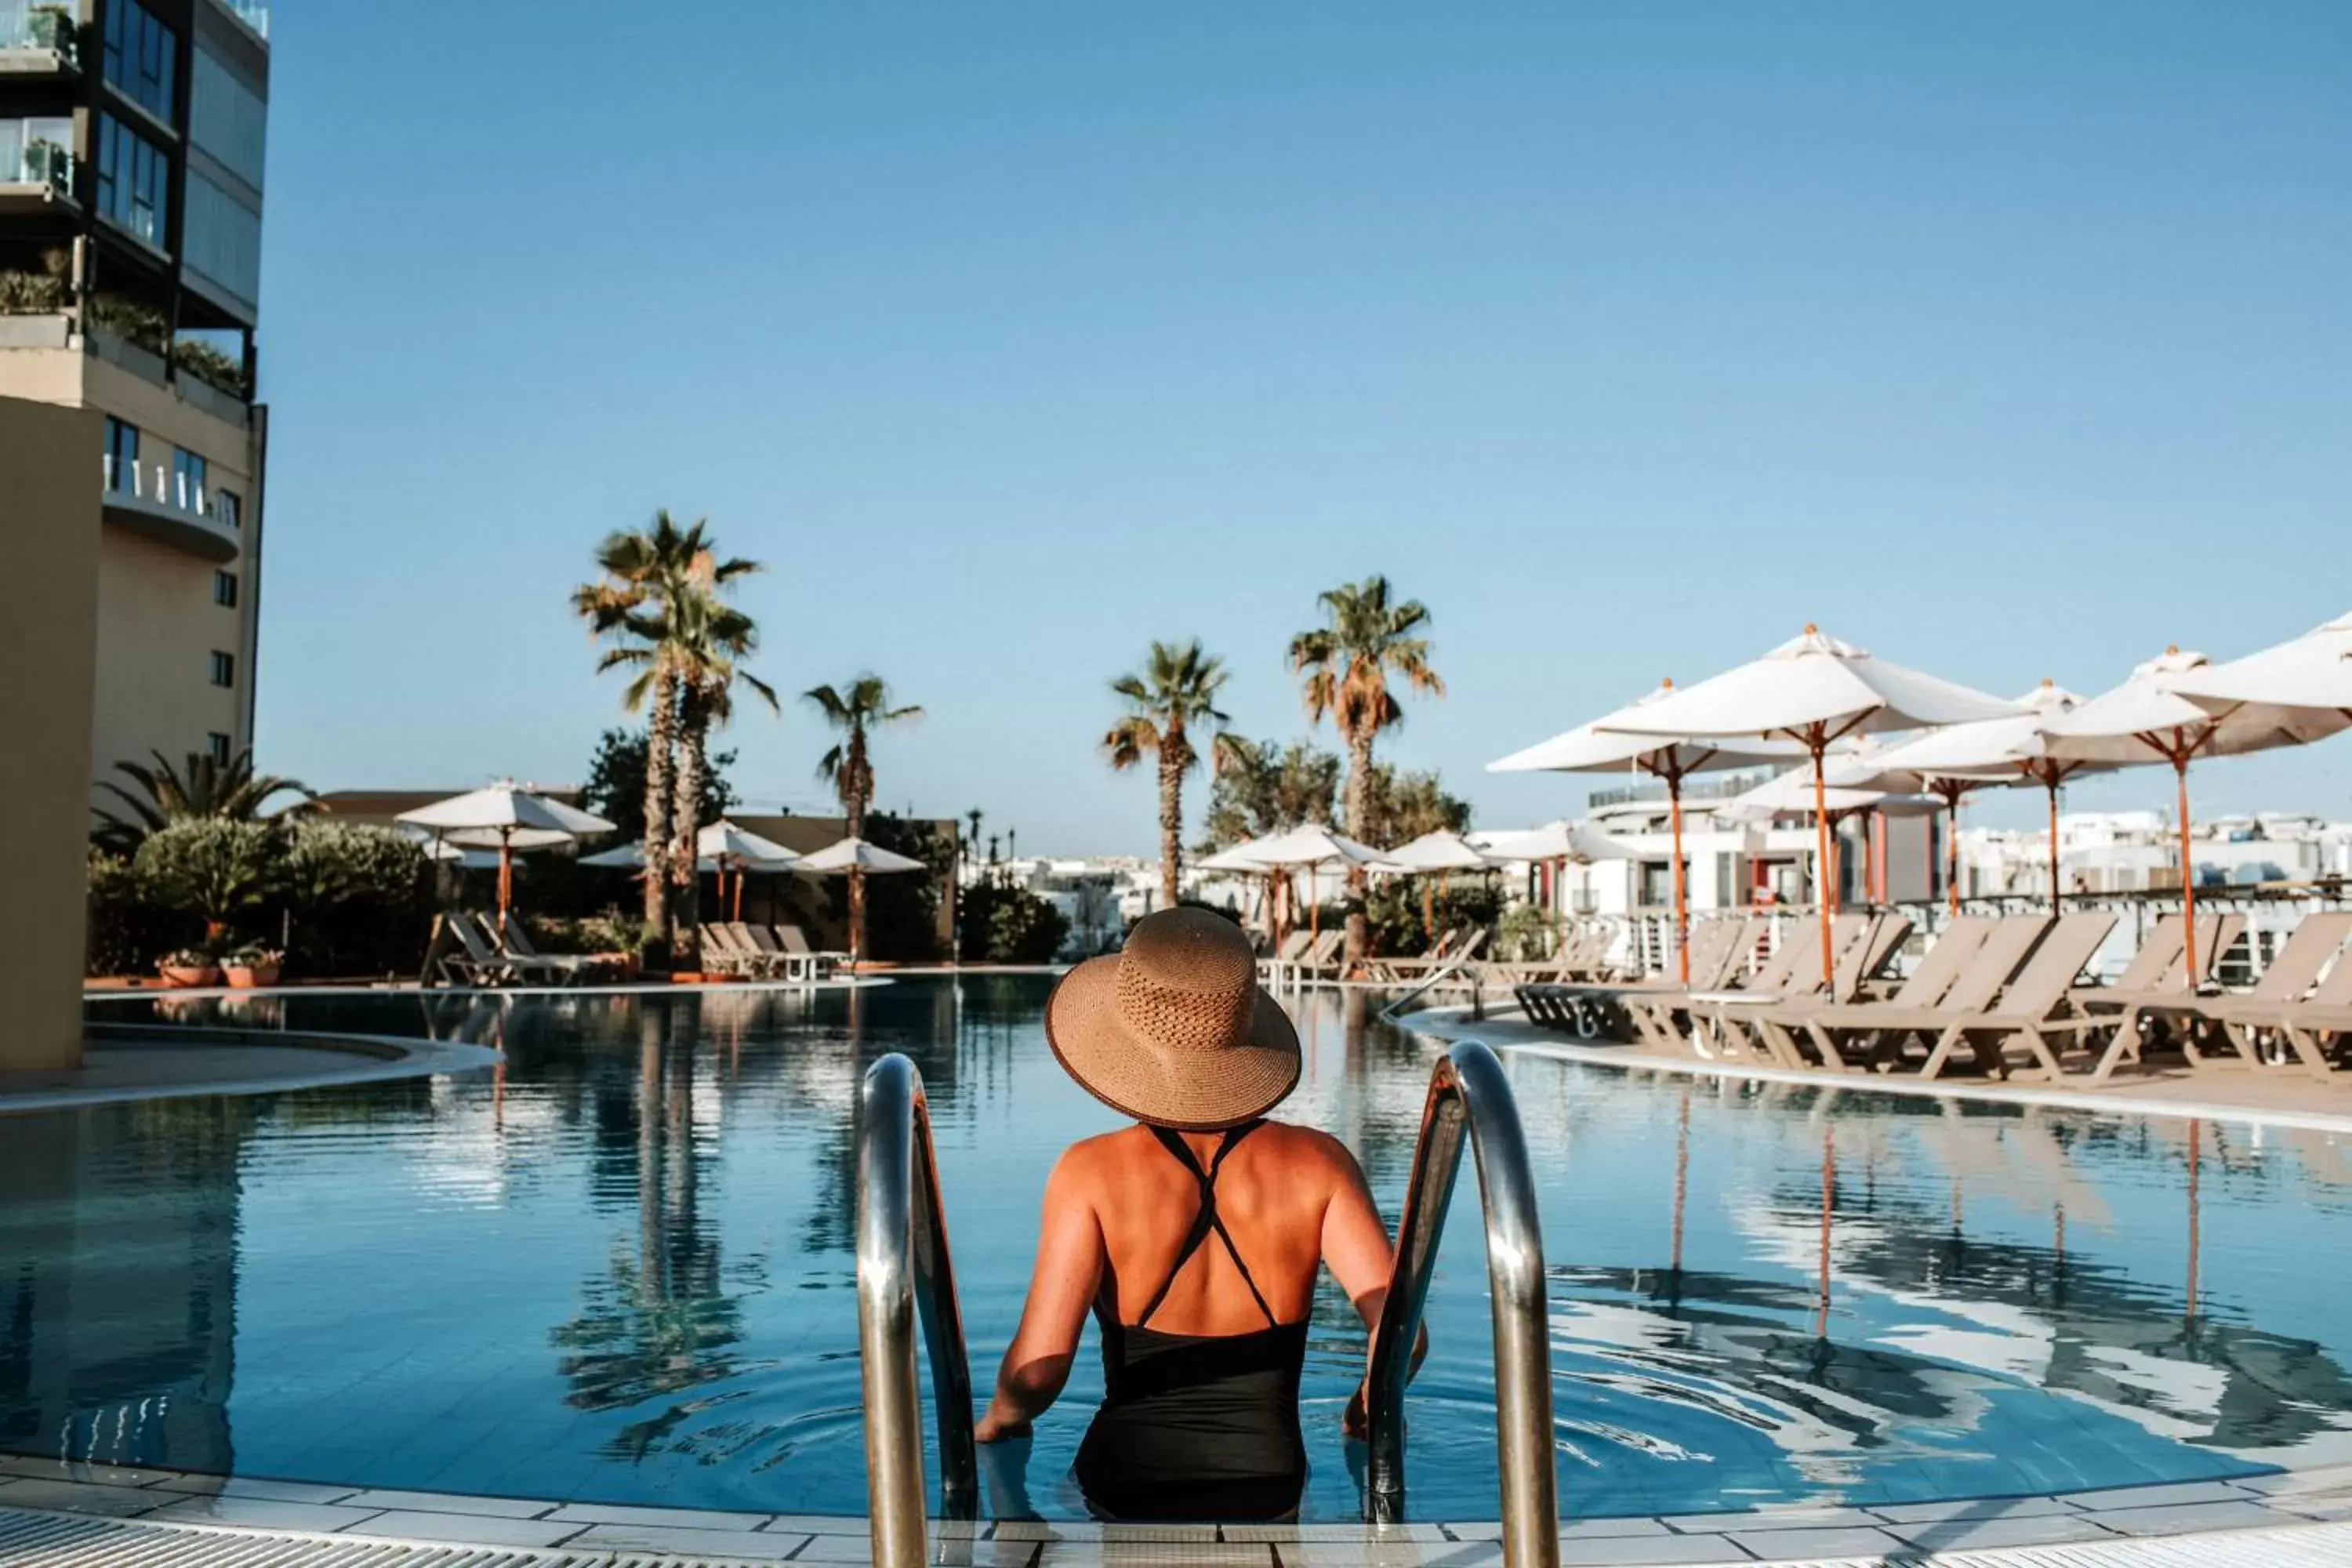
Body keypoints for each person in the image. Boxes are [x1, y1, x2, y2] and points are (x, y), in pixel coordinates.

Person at [973, 906, 1402, 1522]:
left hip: (1123, 1478)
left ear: (1126, 1042)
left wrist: (1000, 1418)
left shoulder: (1089, 1172)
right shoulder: (1321, 1164)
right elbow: (1400, 1337)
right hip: (1271, 1478)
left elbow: (1041, 1367)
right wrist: (1365, 1408)